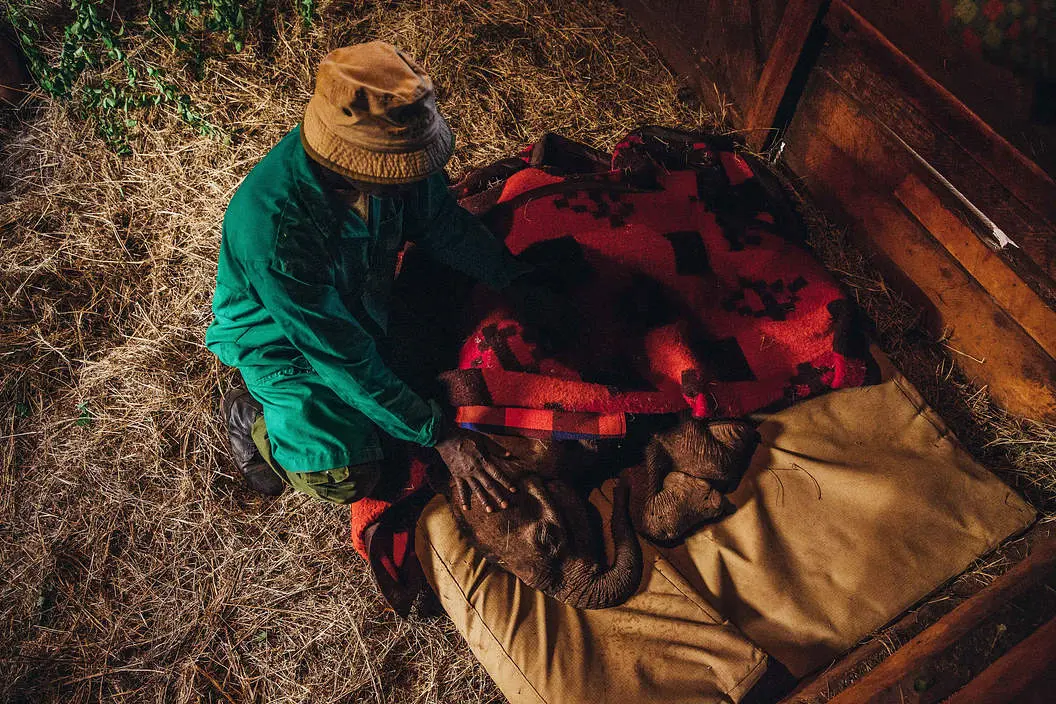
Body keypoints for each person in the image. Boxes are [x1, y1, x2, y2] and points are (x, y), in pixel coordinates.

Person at [206, 42, 557, 511]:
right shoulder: (276, 235)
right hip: (287, 347)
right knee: (348, 474)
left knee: (438, 357)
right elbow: (340, 355)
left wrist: (511, 278)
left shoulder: (391, 154)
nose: (414, 178)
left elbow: (440, 222)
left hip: (364, 303)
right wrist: (441, 437)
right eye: (399, 169)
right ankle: (254, 418)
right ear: (348, 163)